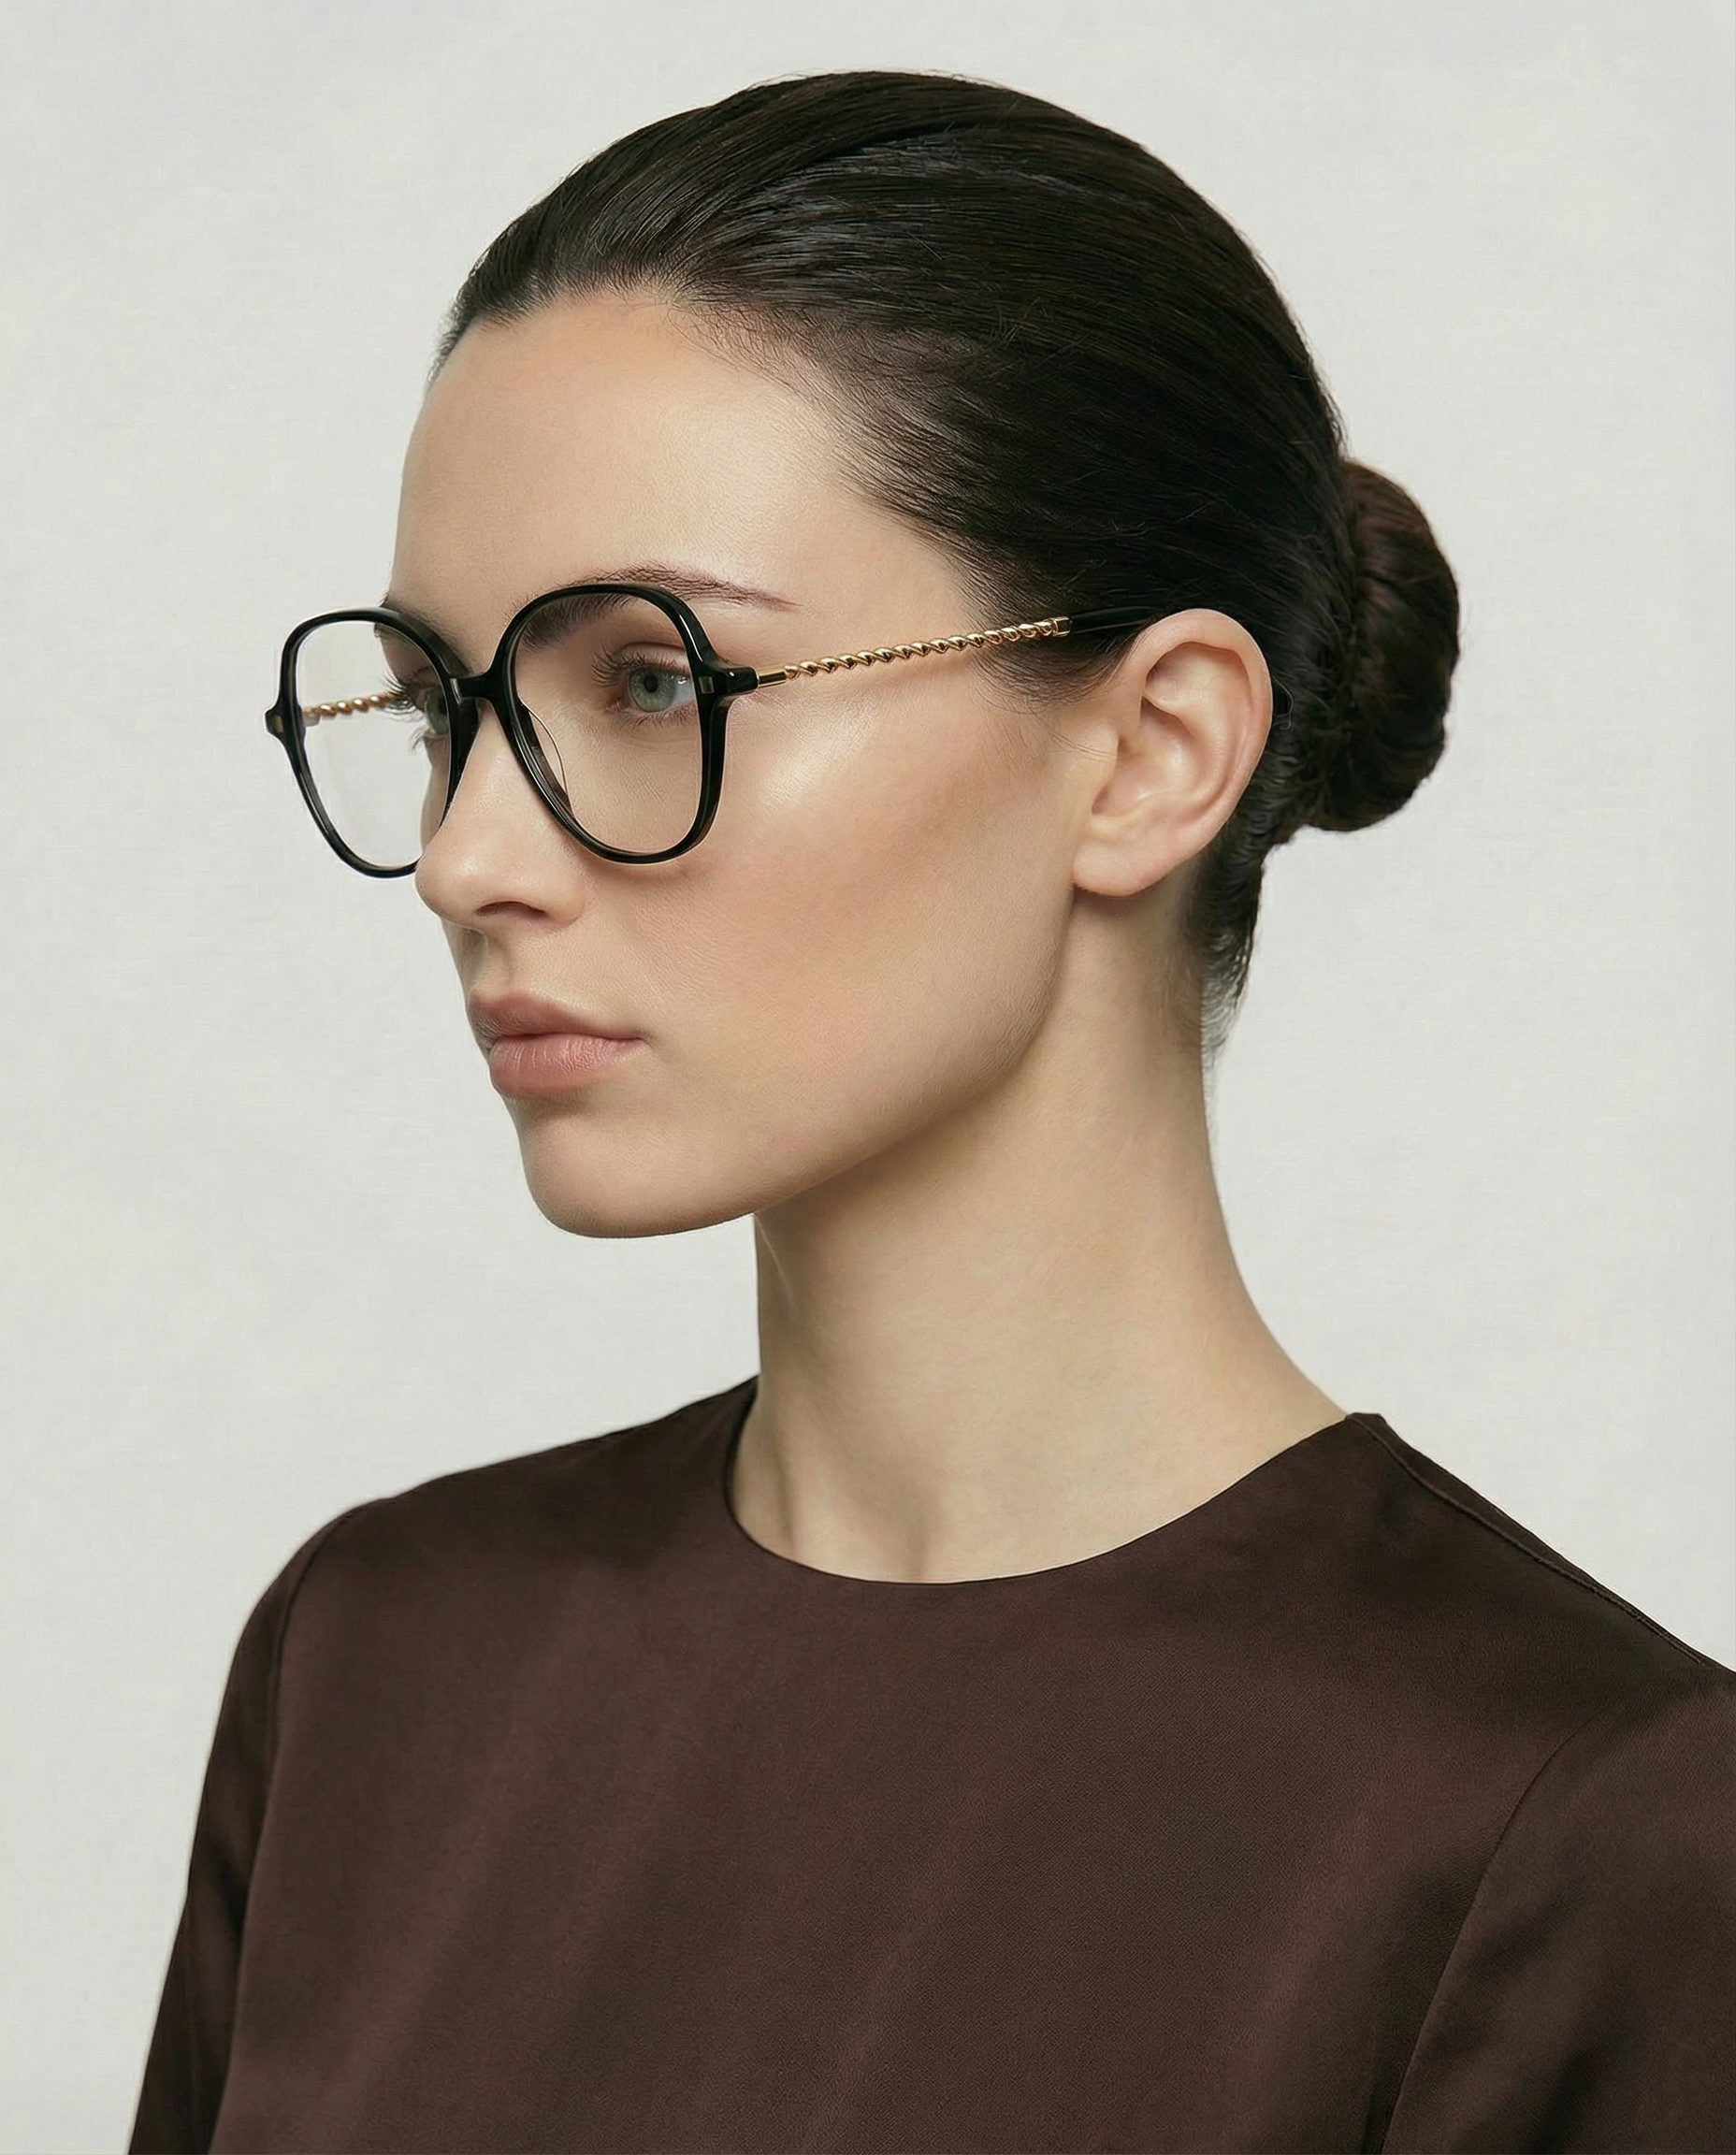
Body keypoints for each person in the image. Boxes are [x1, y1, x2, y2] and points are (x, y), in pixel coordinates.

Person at [129, 70, 1733, 2154]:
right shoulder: (375, 1667)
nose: (464, 859)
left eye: (651, 683)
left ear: (1153, 751)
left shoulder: (1577, 1831)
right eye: (449, 709)